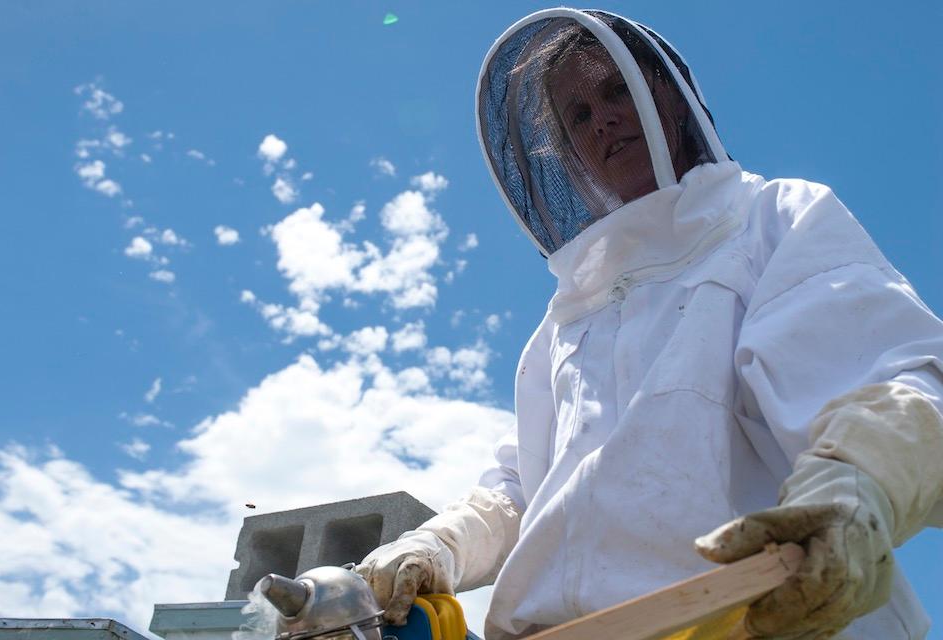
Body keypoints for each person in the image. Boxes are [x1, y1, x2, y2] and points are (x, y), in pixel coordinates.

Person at [356, 8, 943, 639]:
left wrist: (851, 490)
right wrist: (438, 545)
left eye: (616, 91)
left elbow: (892, 374)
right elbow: (520, 493)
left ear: (669, 100)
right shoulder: (564, 324)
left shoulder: (768, 219)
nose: (602, 119)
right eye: (578, 115)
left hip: (760, 615)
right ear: (567, 153)